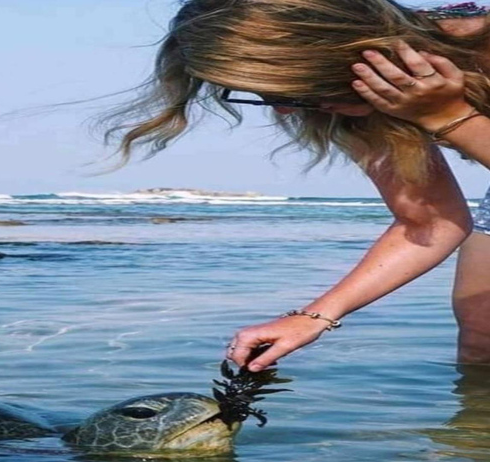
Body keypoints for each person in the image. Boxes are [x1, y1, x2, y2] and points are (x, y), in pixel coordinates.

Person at [102, 0, 490, 371]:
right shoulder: (344, 102)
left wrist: (449, 116)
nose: (285, 109)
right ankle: (470, 438)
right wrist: (313, 316)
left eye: (289, 90)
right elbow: (428, 222)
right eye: (265, 96)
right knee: (481, 333)